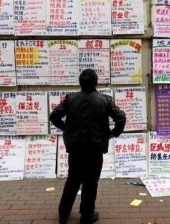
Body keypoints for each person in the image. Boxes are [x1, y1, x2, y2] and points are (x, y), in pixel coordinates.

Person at [50, 68, 126, 224]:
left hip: (76, 148)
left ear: (80, 83)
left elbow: (54, 116)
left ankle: (63, 213)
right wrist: (113, 133)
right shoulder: (105, 100)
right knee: (91, 182)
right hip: (95, 149)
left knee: (72, 180)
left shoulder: (70, 99)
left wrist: (66, 128)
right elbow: (121, 118)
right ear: (96, 82)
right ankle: (87, 215)